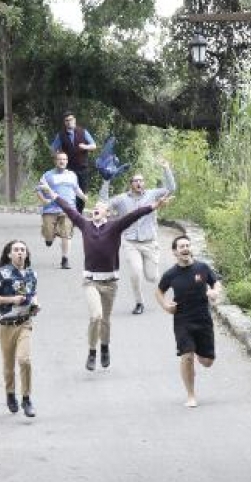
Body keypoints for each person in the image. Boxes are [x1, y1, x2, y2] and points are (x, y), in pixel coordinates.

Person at [37, 179, 171, 372]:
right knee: (96, 316)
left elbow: (134, 214)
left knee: (106, 320)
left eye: (100, 207)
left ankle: (104, 347)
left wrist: (153, 205)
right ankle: (92, 352)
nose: (95, 209)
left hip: (110, 283)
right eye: (94, 208)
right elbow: (67, 208)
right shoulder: (84, 225)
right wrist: (51, 192)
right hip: (90, 281)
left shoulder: (115, 227)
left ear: (108, 213)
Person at [100, 158, 177, 315]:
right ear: (131, 184)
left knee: (152, 277)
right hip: (130, 242)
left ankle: (150, 273)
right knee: (135, 273)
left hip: (149, 242)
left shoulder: (152, 194)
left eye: (141, 181)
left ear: (144, 183)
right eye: (135, 181)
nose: (139, 183)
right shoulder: (122, 199)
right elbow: (104, 202)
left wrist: (166, 168)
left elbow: (171, 188)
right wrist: (106, 181)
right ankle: (139, 303)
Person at [154, 234, 222, 408]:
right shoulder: (171, 274)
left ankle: (199, 352)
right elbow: (159, 292)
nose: (185, 249)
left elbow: (216, 283)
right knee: (187, 357)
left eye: (187, 245)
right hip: (182, 320)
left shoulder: (202, 268)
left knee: (207, 362)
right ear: (175, 252)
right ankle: (191, 395)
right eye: (181, 247)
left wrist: (215, 292)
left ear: (191, 248)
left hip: (203, 319)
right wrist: (166, 306)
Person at [0, 240, 39, 418]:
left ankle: (27, 399)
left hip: (24, 323)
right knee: (8, 365)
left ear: (27, 254)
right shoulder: (2, 274)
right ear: (9, 254)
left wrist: (36, 304)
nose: (20, 253)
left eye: (23, 250)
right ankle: (10, 394)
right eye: (16, 250)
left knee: (25, 360)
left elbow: (33, 294)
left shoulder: (31, 274)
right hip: (6, 324)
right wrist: (11, 300)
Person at [37, 151, 87, 269]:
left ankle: (65, 259)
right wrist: (44, 200)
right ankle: (49, 237)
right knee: (49, 234)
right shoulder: (47, 175)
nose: (62, 161)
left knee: (66, 234)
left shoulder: (72, 175)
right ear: (55, 161)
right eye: (59, 159)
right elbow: (38, 189)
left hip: (68, 209)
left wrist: (84, 197)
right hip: (50, 209)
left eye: (64, 159)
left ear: (67, 161)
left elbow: (76, 189)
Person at [50, 111, 97, 212]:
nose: (69, 122)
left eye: (70, 120)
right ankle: (71, 214)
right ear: (64, 122)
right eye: (66, 120)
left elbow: (94, 145)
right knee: (70, 192)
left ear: (74, 120)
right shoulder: (61, 135)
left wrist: (85, 146)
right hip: (69, 169)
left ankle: (79, 214)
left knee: (82, 193)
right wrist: (59, 158)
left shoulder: (83, 132)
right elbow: (53, 149)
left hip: (82, 168)